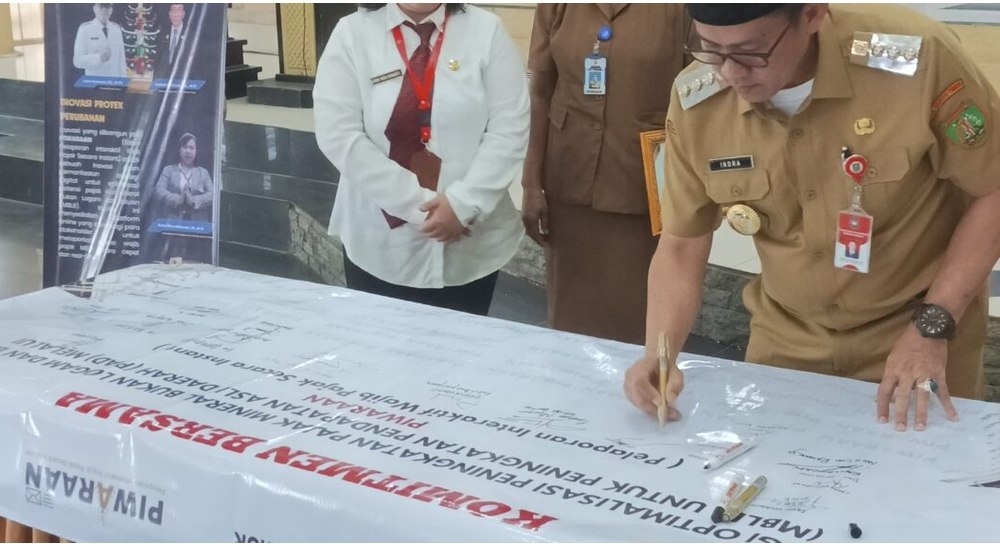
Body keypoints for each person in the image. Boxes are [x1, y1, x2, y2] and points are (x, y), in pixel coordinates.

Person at [624, 4, 1000, 432]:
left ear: (812, 15)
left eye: (751, 51)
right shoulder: (698, 101)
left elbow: (993, 190)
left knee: (923, 467)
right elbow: (681, 244)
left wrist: (932, 327)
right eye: (710, 49)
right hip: (788, 338)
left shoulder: (917, 60)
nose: (730, 72)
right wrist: (659, 354)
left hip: (918, 329)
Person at [313, 3, 528, 316]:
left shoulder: (487, 30)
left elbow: (510, 128)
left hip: (471, 243)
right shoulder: (351, 33)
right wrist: (420, 208)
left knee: (461, 342)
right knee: (379, 342)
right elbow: (338, 133)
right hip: (378, 241)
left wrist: (463, 205)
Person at [522, 4, 687, 344]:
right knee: (569, 323)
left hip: (644, 188)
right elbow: (541, 91)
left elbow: (702, 95)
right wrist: (531, 181)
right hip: (569, 181)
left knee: (637, 322)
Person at [152, 133, 214, 262]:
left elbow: (212, 194)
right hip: (173, 225)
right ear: (179, 149)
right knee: (172, 261)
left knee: (196, 262)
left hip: (198, 226)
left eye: (192, 148)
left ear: (196, 151)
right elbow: (158, 190)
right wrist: (177, 199)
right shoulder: (168, 170)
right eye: (185, 147)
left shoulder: (203, 173)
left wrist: (194, 200)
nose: (188, 151)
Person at [73, 3, 127, 78]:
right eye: (101, 6)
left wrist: (123, 82)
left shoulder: (116, 29)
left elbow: (121, 62)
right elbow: (77, 61)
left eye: (107, 6)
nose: (104, 9)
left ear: (111, 10)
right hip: (95, 82)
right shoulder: (85, 29)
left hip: (114, 82)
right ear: (94, 9)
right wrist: (99, 58)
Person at [154, 4, 188, 79]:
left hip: (182, 82)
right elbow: (157, 62)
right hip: (163, 81)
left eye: (179, 10)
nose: (176, 14)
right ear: (170, 14)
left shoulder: (190, 36)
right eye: (173, 10)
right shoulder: (162, 34)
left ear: (183, 14)